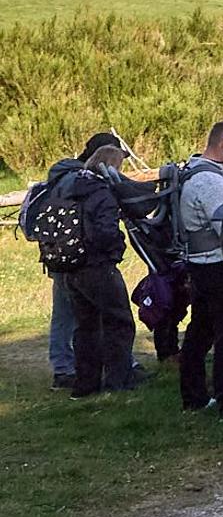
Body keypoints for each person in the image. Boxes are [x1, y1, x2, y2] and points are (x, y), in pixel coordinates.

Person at [56, 137, 145, 399]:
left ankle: (85, 384)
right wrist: (118, 246)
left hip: (72, 266)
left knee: (86, 327)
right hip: (98, 265)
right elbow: (105, 232)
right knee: (119, 322)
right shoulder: (102, 193)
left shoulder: (71, 187)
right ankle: (119, 380)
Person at [179, 120, 223, 416]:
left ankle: (194, 396)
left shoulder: (193, 171)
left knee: (201, 330)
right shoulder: (211, 182)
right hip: (216, 264)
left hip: (199, 263)